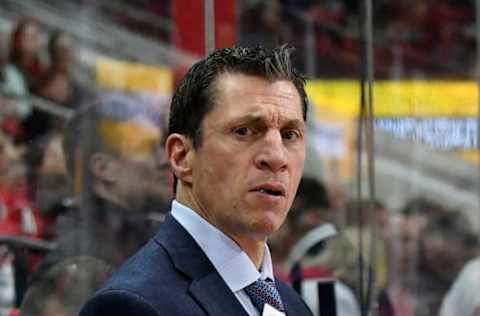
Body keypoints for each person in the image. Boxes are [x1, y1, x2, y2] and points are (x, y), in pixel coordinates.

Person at [80, 45, 313, 315]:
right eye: (244, 131)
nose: (276, 156)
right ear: (181, 157)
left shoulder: (293, 306)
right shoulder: (131, 306)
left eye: (290, 135)